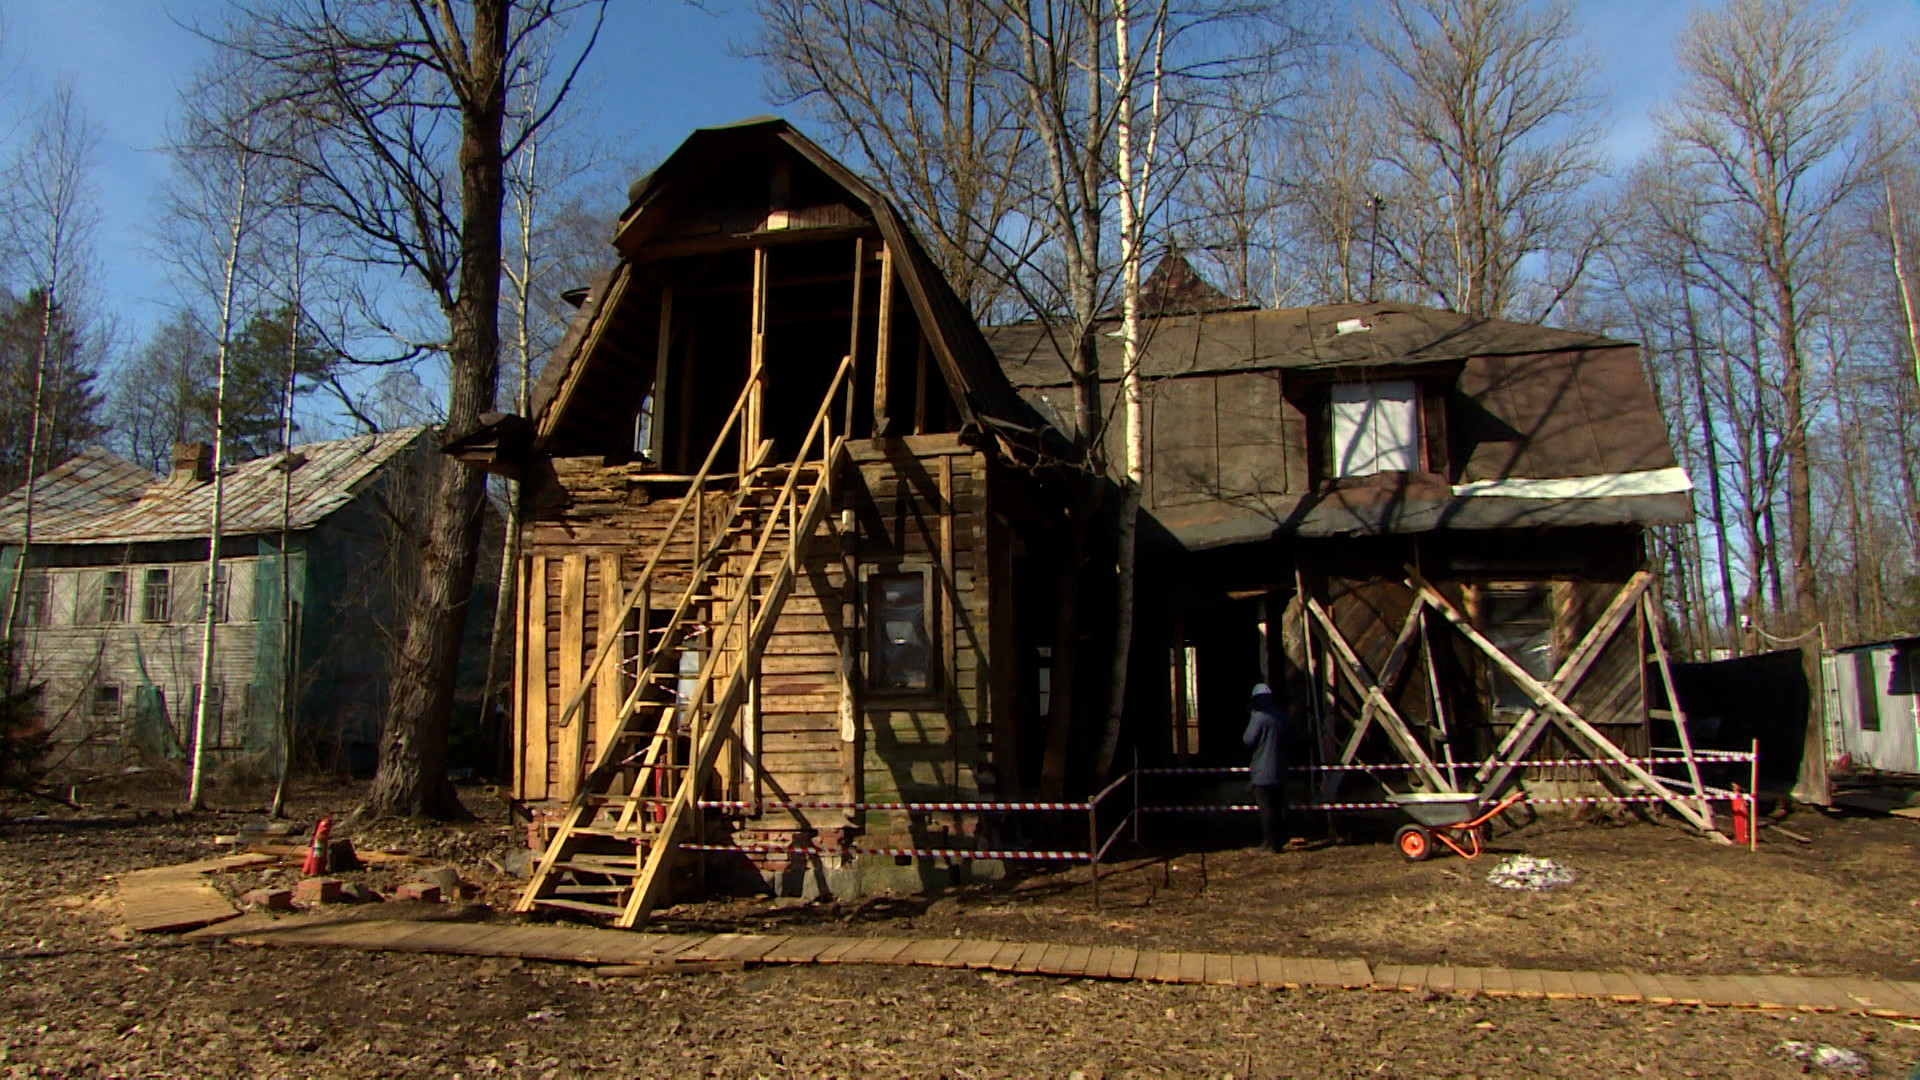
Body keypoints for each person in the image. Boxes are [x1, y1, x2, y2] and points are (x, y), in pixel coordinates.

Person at [1243, 682, 1292, 852]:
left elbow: (1248, 740)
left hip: (1263, 771)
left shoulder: (1258, 717)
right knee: (1280, 806)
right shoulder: (1283, 717)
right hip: (1281, 769)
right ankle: (1281, 840)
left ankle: (1269, 843)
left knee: (1267, 808)